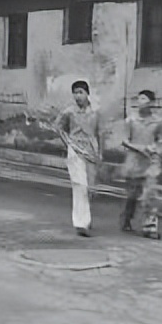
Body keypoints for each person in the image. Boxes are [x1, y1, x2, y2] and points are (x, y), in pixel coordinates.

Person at [56, 80, 103, 237]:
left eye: (81, 92)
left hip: (91, 151)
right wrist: (68, 143)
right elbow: (59, 127)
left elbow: (100, 133)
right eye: (75, 93)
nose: (78, 96)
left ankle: (86, 217)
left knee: (89, 188)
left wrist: (101, 152)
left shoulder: (96, 112)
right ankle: (81, 223)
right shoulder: (69, 112)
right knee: (79, 186)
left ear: (87, 93)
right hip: (75, 151)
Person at [120, 89, 162, 239]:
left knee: (150, 193)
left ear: (151, 103)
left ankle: (150, 227)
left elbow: (161, 140)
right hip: (134, 161)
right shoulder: (131, 120)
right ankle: (127, 217)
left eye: (144, 99)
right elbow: (124, 140)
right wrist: (139, 148)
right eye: (139, 99)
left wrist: (154, 148)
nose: (141, 102)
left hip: (150, 162)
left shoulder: (158, 122)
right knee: (132, 195)